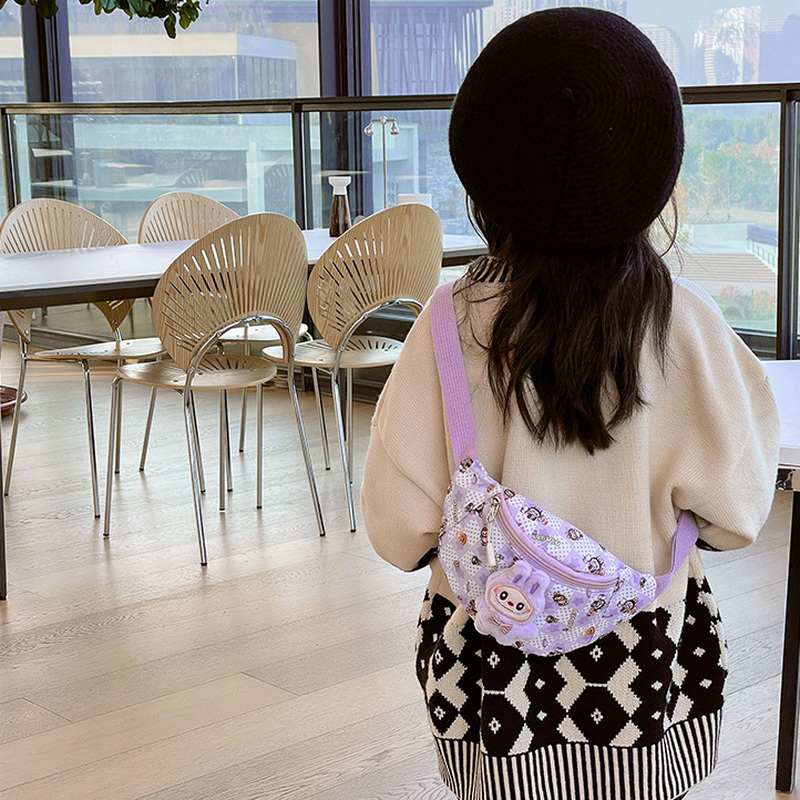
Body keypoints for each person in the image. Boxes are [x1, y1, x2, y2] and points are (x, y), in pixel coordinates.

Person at [360, 8, 780, 800]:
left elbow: (398, 528)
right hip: (642, 669)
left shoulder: (446, 324)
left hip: (493, 680)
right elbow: (738, 512)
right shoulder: (686, 323)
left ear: (483, 173)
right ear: (652, 171)